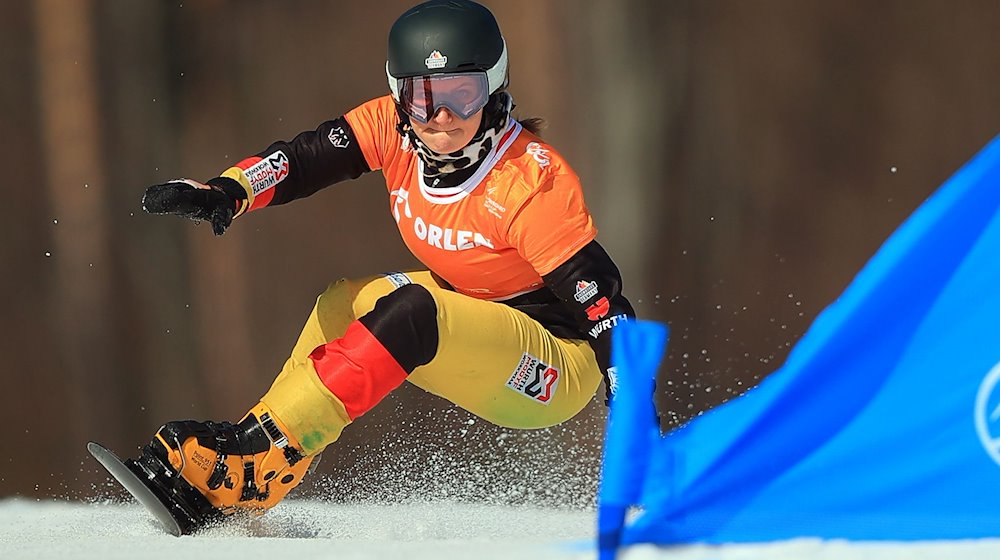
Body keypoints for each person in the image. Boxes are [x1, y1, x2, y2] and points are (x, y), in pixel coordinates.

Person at [135, 0, 634, 530]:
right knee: (344, 303)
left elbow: (605, 306)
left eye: (462, 96)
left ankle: (255, 456)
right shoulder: (390, 130)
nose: (442, 118)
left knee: (411, 310)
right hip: (473, 315)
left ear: (494, 89)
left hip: (552, 363)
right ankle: (257, 468)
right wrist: (230, 191)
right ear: (400, 97)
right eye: (423, 99)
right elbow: (302, 160)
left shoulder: (529, 181)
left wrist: (633, 421)